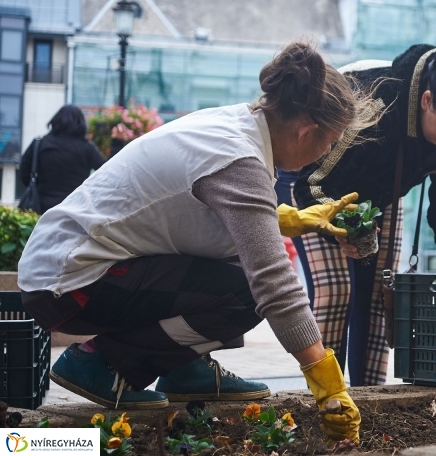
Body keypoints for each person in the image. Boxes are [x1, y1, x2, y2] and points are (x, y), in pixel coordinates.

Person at [17, 42, 373, 446]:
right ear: (306, 131)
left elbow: (206, 216)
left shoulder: (236, 125)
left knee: (239, 270)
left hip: (67, 269)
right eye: (331, 142)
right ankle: (100, 362)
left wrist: (296, 220)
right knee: (247, 290)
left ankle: (183, 369)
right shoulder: (239, 160)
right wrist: (328, 386)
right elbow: (274, 282)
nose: (327, 152)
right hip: (69, 286)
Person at [293, 29, 436, 386]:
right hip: (311, 180)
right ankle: (325, 399)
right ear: (427, 100)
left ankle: (370, 399)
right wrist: (346, 228)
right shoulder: (373, 100)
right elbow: (315, 182)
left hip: (380, 196)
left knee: (380, 299)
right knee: (336, 290)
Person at [19, 105, 127, 214]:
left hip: (42, 208)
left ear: (55, 121)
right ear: (80, 123)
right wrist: (117, 142)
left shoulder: (40, 143)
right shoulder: (86, 148)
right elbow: (107, 170)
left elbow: (23, 173)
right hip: (75, 208)